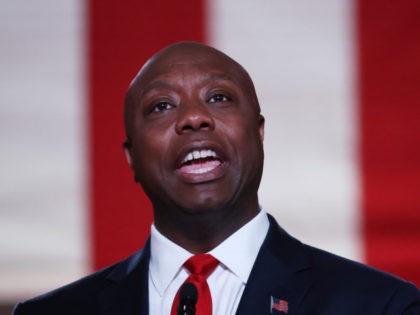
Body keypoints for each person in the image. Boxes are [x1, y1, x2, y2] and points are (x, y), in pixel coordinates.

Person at [14, 42, 420, 315]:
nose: (193, 118)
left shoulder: (382, 305)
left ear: (258, 134)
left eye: (219, 98)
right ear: (131, 158)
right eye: (161, 106)